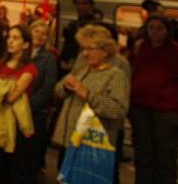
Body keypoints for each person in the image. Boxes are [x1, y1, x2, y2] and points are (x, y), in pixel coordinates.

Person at [52, 25, 130, 181]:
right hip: (70, 141)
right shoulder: (82, 68)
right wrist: (65, 87)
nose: (85, 53)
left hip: (93, 145)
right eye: (83, 48)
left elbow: (118, 110)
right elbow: (57, 91)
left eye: (90, 48)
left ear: (105, 50)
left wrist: (87, 94)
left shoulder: (116, 75)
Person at [129, 16, 178, 184]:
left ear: (167, 31)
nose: (155, 32)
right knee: (143, 155)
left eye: (159, 28)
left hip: (166, 111)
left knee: (165, 157)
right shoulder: (141, 48)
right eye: (151, 28)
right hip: (140, 108)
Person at [0, 25, 37, 183]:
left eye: (16, 38)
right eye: (9, 37)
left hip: (15, 125)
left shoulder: (29, 68)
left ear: (25, 44)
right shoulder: (0, 63)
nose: (10, 41)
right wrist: (2, 87)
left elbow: (11, 97)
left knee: (12, 170)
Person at [28, 19, 57, 181]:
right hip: (18, 107)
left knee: (34, 147)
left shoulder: (49, 58)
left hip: (37, 110)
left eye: (44, 34)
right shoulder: (23, 54)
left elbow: (48, 87)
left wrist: (29, 105)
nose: (40, 36)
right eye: (37, 32)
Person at [59, 0, 97, 75]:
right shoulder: (73, 25)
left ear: (91, 5)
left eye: (84, 3)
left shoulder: (96, 26)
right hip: (70, 63)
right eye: (78, 4)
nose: (81, 7)